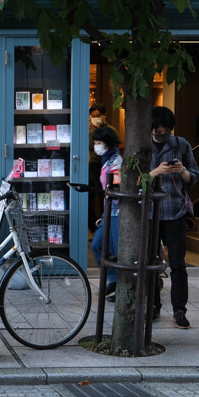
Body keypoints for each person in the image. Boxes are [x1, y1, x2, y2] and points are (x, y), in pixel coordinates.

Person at [149, 106, 199, 329]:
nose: (162, 134)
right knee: (150, 262)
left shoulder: (181, 144)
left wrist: (182, 171)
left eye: (166, 131)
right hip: (149, 212)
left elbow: (194, 177)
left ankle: (180, 310)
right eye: (158, 130)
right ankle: (153, 305)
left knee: (178, 263)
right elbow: (132, 180)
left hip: (176, 210)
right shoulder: (141, 146)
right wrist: (155, 172)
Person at [90, 126, 122, 299]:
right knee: (97, 244)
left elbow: (116, 187)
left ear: (108, 143)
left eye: (99, 142)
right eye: (95, 142)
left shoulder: (116, 162)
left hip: (118, 211)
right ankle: (113, 279)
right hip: (108, 211)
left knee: (117, 249)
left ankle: (120, 285)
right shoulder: (105, 160)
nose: (96, 146)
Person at [88, 104, 118, 232]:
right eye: (93, 116)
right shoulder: (91, 132)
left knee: (104, 198)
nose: (96, 119)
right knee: (86, 198)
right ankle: (95, 227)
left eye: (98, 116)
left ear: (104, 116)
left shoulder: (111, 131)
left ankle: (105, 229)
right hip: (93, 167)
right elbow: (88, 150)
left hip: (107, 166)